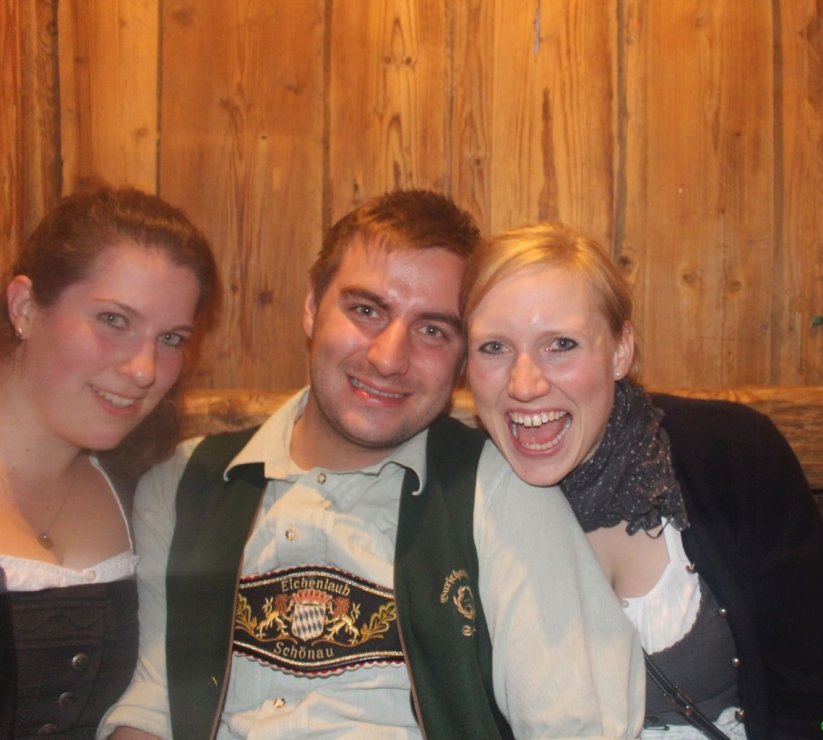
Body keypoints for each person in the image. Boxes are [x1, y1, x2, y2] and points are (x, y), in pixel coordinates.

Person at [100, 190, 643, 739]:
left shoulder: (497, 487)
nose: (388, 358)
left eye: (433, 330)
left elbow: (575, 725)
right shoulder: (185, 482)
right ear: (311, 305)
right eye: (366, 311)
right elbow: (153, 703)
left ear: (462, 358)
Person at [463, 222, 823, 739]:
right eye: (494, 347)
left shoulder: (734, 456)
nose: (524, 385)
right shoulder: (458, 500)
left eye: (561, 344)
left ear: (620, 351)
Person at [0, 186, 220, 738]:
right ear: (25, 308)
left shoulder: (147, 491)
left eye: (170, 338)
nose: (144, 369)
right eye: (114, 320)